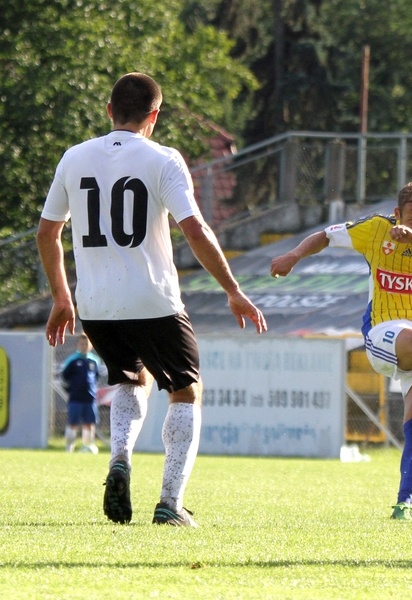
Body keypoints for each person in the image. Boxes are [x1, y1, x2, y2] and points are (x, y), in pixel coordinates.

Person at [37, 73, 268, 528]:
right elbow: (195, 228)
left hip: (96, 305)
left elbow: (48, 232)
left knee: (128, 379)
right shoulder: (164, 159)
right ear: (154, 116)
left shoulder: (74, 157)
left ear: (109, 110)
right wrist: (233, 290)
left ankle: (120, 457)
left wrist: (62, 297)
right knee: (185, 390)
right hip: (154, 298)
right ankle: (169, 502)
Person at [270, 177, 412, 520]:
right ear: (397, 214)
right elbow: (325, 235)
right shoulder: (375, 229)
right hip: (385, 330)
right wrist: (293, 256)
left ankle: (404, 503)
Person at [59, 333, 105, 454]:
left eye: (87, 344)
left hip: (90, 398)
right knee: (73, 423)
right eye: (82, 343)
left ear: (91, 345)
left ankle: (88, 446)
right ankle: (69, 447)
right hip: (75, 398)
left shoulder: (94, 360)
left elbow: (96, 377)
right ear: (78, 344)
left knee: (89, 423)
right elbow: (64, 377)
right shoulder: (73, 360)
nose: (84, 346)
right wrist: (70, 390)